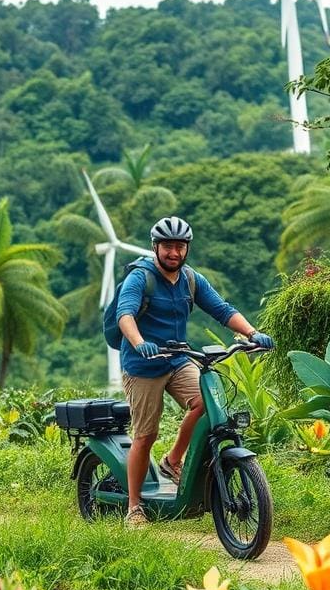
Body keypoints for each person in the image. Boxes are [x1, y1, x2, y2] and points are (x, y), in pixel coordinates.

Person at [115, 216, 274, 526]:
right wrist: (139, 342)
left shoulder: (191, 279)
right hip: (143, 364)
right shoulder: (141, 278)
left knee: (204, 403)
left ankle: (173, 460)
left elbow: (222, 309)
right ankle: (134, 507)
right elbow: (125, 314)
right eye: (168, 247)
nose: (174, 253)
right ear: (155, 247)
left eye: (179, 247)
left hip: (176, 359)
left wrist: (253, 334)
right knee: (145, 435)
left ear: (186, 248)